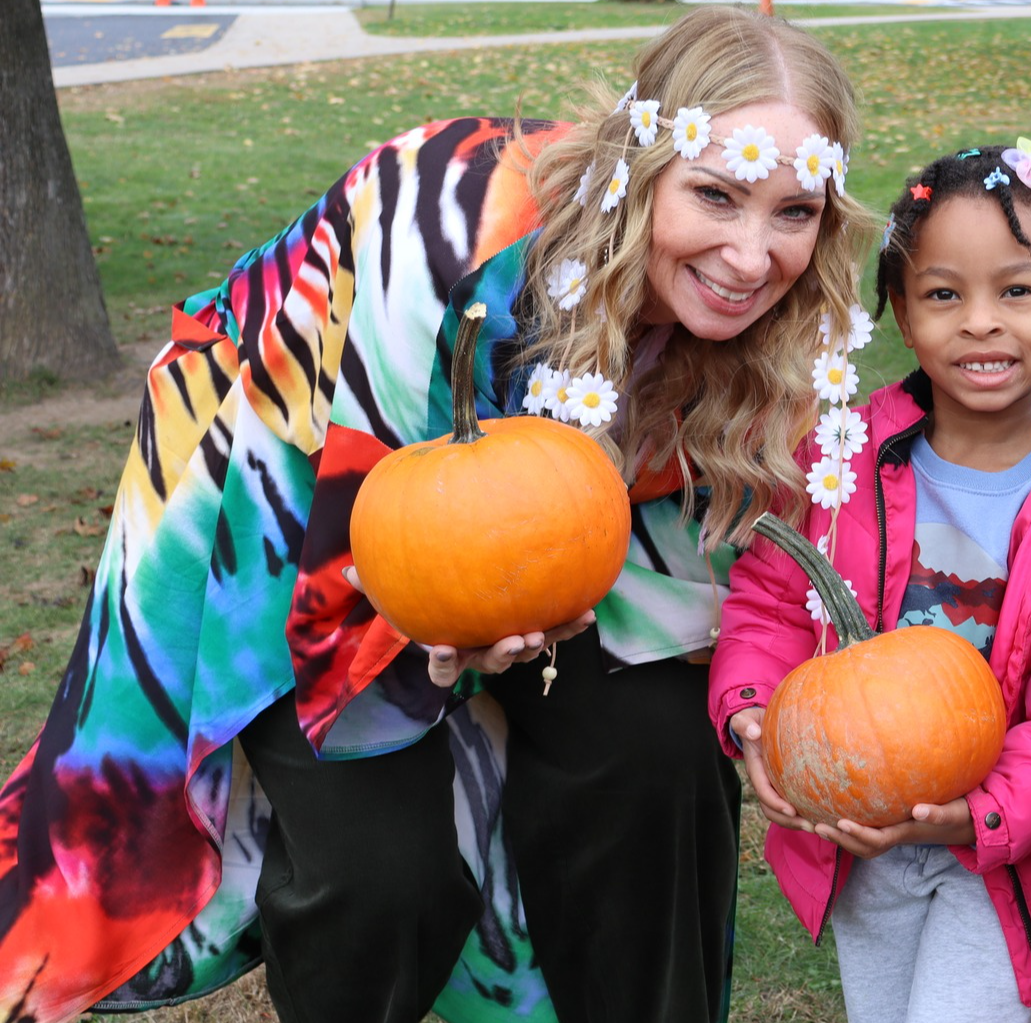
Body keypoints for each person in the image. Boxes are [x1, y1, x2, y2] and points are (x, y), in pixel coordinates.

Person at [0, 8, 875, 1023]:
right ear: (643, 168)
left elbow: (696, 565)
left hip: (548, 537)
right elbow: (388, 513)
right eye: (715, 196)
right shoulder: (453, 218)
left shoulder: (777, 331)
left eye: (794, 212)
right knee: (380, 868)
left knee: (656, 756)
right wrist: (458, 642)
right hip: (298, 504)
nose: (751, 256)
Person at [708, 142, 1031, 1022]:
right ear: (904, 317)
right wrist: (753, 704)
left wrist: (975, 816)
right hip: (864, 829)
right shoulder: (844, 460)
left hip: (999, 846)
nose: (980, 321)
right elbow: (770, 600)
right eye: (944, 294)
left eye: (1016, 291)